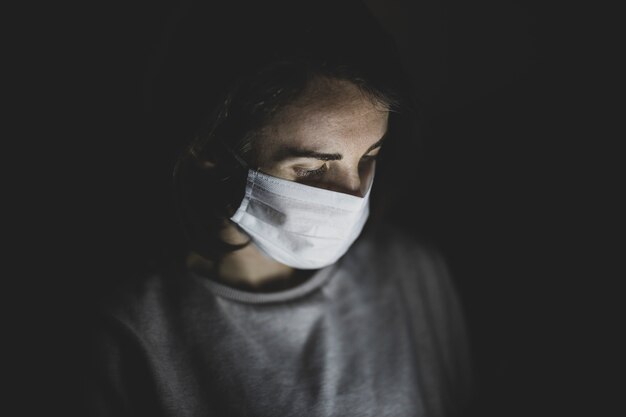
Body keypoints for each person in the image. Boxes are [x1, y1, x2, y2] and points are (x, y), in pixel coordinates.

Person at [82, 1, 473, 416]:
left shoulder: (411, 270)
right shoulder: (129, 334)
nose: (352, 195)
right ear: (212, 148)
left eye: (368, 157)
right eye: (311, 171)